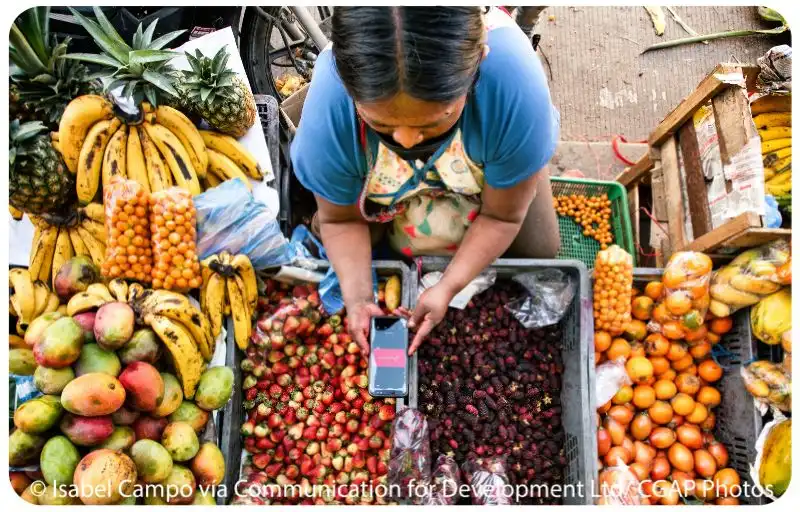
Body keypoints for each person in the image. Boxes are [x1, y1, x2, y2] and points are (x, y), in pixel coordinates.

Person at [291, 7, 560, 356]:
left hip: (480, 178)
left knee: (539, 247)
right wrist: (358, 299)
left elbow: (501, 217)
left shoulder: (513, 85)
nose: (405, 141)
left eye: (436, 121)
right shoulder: (331, 104)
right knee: (337, 234)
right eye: (381, 124)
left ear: (479, 59)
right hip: (386, 190)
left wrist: (448, 286)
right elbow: (340, 220)